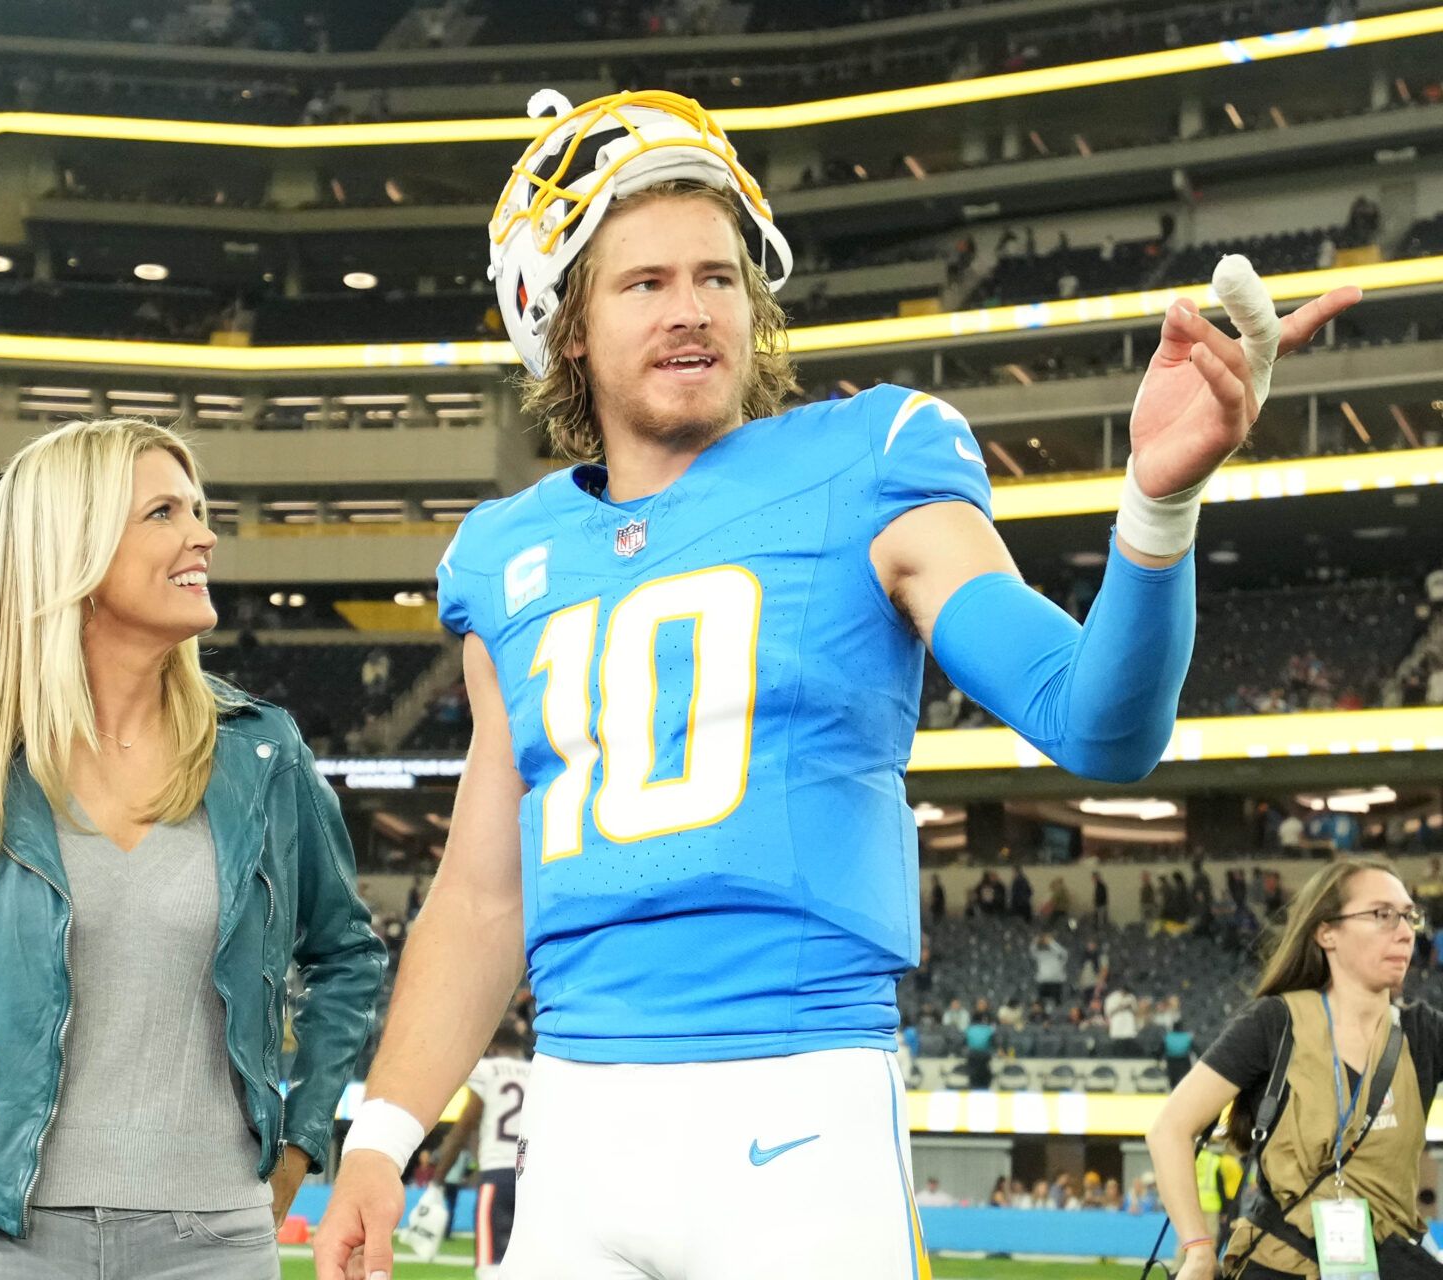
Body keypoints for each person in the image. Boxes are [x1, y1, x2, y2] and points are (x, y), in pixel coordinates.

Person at [316, 86, 1356, 1280]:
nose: (694, 310)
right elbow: (481, 893)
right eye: (644, 282)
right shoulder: (506, 557)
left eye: (718, 276)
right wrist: (383, 1135)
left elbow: (1098, 724)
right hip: (576, 1125)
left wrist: (1159, 502)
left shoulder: (866, 462)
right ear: (564, 326)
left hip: (796, 1118)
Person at [0, 419, 385, 1279]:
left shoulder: (264, 752)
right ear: (74, 549)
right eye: (164, 513)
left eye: (200, 510)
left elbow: (349, 958)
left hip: (215, 1245)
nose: (203, 535)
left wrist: (302, 1139)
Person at [1147, 858, 1443, 1279]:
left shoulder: (1424, 1031)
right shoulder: (1275, 1023)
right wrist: (1197, 1249)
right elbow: (1169, 1128)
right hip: (1280, 1259)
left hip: (1391, 1260)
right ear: (1327, 932)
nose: (1404, 930)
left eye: (1409, 915)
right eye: (1381, 914)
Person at [419, 1022, 532, 1279]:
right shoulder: (537, 1071)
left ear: (491, 1047)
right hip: (534, 1181)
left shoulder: (488, 1070)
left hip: (498, 1175)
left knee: (490, 1266)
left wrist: (437, 1182)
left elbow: (464, 1127)